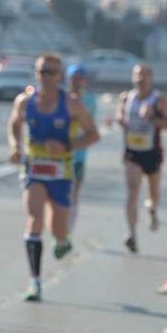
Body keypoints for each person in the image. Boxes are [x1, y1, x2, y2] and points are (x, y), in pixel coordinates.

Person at [7, 53, 99, 302]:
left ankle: (62, 240)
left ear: (60, 76)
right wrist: (15, 145)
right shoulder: (25, 102)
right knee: (34, 219)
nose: (46, 77)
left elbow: (93, 134)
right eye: (42, 72)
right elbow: (14, 125)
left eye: (51, 72)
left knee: (58, 228)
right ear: (35, 73)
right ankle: (35, 281)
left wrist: (69, 145)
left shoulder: (71, 104)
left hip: (61, 173)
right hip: (34, 170)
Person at [116, 63, 167, 253]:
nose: (140, 79)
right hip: (132, 152)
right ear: (132, 77)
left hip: (152, 152)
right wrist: (122, 120)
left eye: (144, 75)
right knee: (133, 191)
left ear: (151, 78)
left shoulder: (159, 100)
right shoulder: (126, 98)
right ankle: (131, 234)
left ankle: (152, 208)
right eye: (137, 75)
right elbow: (120, 119)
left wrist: (151, 118)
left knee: (153, 193)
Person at [65, 63, 97, 239]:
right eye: (73, 78)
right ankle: (60, 227)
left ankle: (68, 232)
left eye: (80, 79)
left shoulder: (90, 101)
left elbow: (90, 129)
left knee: (74, 194)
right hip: (58, 157)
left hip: (78, 156)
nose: (76, 82)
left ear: (85, 81)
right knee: (58, 196)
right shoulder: (60, 98)